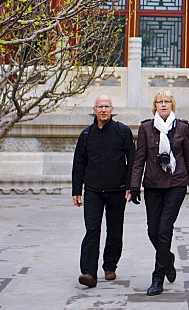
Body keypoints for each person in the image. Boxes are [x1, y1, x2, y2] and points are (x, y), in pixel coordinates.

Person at [130, 88, 189, 296]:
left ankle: (157, 277)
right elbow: (139, 158)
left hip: (176, 183)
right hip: (152, 184)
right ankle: (167, 258)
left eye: (167, 101)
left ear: (172, 105)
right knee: (153, 231)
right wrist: (135, 185)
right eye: (160, 101)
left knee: (164, 229)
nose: (163, 105)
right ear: (155, 105)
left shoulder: (182, 128)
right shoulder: (146, 128)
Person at [71, 94, 134, 288]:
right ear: (94, 110)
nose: (103, 110)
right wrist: (76, 189)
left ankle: (110, 266)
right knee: (92, 229)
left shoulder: (122, 131)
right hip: (93, 191)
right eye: (100, 106)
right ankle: (89, 272)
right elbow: (79, 163)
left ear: (112, 109)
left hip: (117, 190)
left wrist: (131, 186)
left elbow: (132, 161)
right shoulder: (86, 135)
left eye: (107, 106)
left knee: (114, 230)